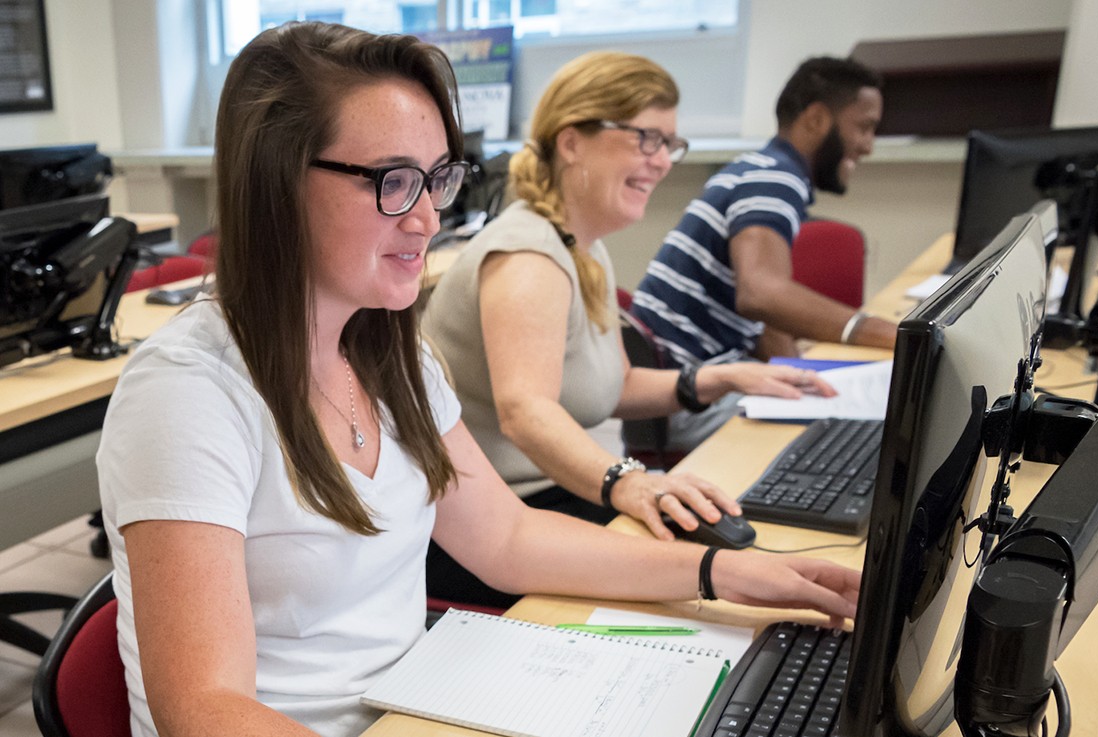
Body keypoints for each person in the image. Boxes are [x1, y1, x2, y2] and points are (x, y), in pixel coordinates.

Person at [96, 23, 860, 737]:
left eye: (438, 179)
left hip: (423, 703)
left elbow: (507, 535)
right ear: (278, 181)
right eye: (394, 180)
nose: (428, 218)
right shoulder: (187, 394)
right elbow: (201, 707)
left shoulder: (391, 355)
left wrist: (727, 572)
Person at [423, 51, 837, 607]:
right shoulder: (528, 255)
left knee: (740, 539)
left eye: (670, 144)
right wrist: (629, 479)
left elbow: (613, 386)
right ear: (571, 142)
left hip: (562, 497)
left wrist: (715, 380)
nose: (662, 161)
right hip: (505, 523)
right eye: (647, 138)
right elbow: (526, 413)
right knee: (719, 578)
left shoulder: (581, 247)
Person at [633, 56, 897, 369]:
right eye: (864, 128)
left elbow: (763, 321)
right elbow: (760, 294)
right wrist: (888, 333)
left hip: (680, 372)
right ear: (816, 119)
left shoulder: (759, 169)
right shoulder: (775, 179)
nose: (868, 146)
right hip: (684, 387)